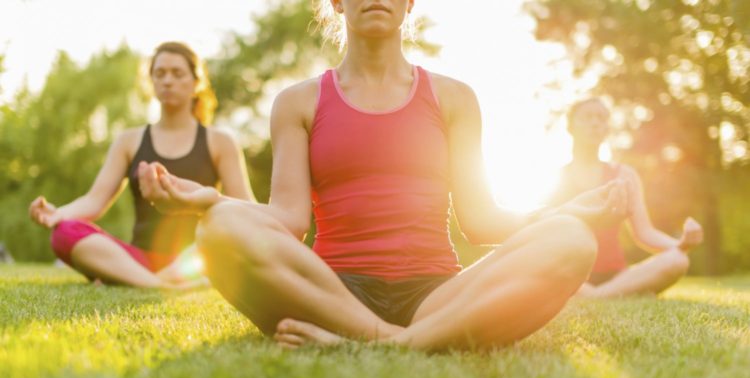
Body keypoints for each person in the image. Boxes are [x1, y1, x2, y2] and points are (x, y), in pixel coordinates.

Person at [139, 0, 627, 351]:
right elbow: (287, 220)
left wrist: (565, 211)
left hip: (436, 295)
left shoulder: (455, 98)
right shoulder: (298, 102)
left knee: (572, 239)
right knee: (220, 227)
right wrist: (207, 200)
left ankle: (393, 343)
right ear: (336, 3)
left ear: (410, 3)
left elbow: (482, 220)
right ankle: (400, 341)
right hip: (332, 293)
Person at [29, 42, 254, 288]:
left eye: (177, 73)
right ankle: (159, 283)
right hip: (138, 260)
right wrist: (57, 214)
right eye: (160, 74)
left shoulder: (220, 142)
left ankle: (134, 280)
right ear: (151, 82)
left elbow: (245, 209)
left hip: (198, 257)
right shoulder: (129, 140)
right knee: (64, 233)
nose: (168, 81)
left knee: (230, 238)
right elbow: (95, 200)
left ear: (196, 82)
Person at [550, 97, 703, 298]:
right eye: (587, 117)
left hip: (618, 276)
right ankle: (607, 294)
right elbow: (547, 237)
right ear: (570, 126)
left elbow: (644, 233)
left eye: (601, 118)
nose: (595, 123)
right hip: (571, 274)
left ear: (607, 129)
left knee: (678, 260)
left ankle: (597, 296)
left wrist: (681, 244)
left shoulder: (625, 175)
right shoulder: (555, 179)